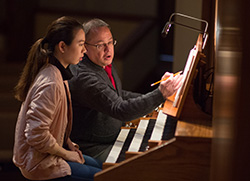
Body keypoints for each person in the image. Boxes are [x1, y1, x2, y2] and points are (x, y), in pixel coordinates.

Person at [68, 18, 183, 163]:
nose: (108, 49)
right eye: (100, 45)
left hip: (114, 135)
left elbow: (117, 95)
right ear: (85, 47)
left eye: (110, 42)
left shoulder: (102, 61)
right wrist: (160, 94)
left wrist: (158, 101)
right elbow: (121, 109)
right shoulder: (85, 78)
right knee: (147, 163)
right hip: (94, 147)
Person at [13, 16, 102, 181]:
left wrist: (68, 143)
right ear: (62, 46)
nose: (85, 50)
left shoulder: (57, 72)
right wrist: (67, 154)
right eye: (81, 44)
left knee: (103, 168)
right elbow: (35, 134)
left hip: (49, 155)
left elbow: (53, 124)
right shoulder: (51, 83)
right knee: (104, 176)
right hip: (38, 163)